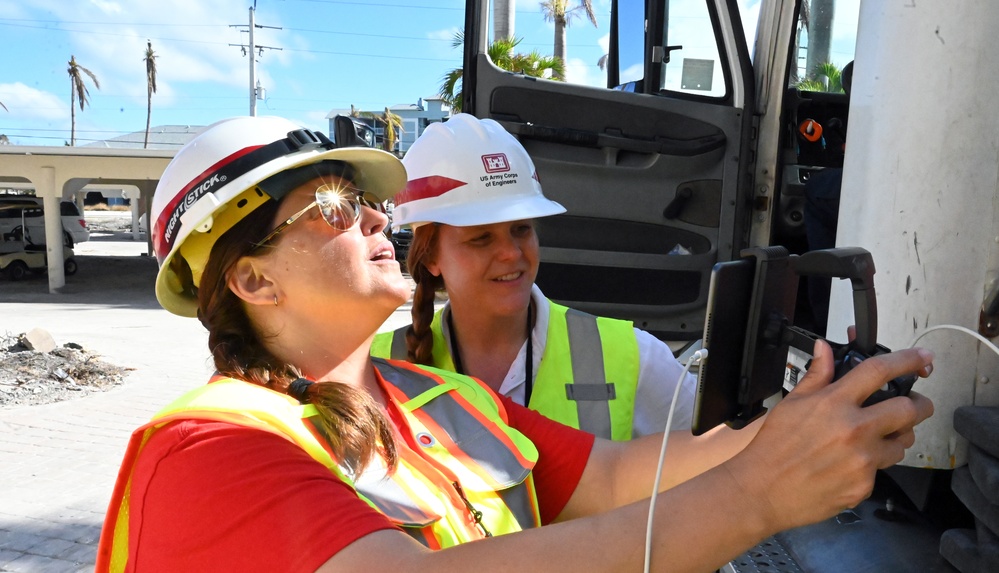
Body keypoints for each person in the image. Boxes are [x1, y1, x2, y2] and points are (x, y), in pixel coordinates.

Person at [96, 115, 934, 573]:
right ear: (251, 282)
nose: (381, 218)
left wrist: (816, 422)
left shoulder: (438, 402)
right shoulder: (208, 448)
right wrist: (759, 492)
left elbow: (608, 475)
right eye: (336, 210)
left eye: (370, 202)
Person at [371, 114, 697, 439]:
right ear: (430, 257)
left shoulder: (632, 357)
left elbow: (715, 462)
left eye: (521, 229)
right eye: (481, 238)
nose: (512, 253)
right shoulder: (375, 366)